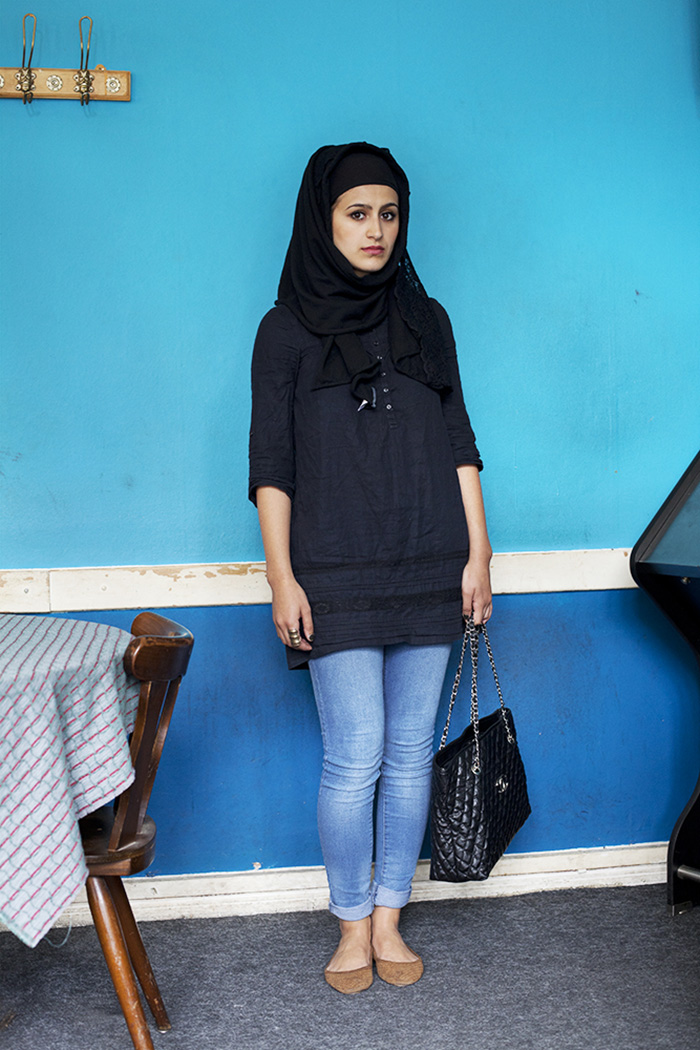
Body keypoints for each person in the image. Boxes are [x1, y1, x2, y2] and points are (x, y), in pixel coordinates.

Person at [249, 142, 492, 994]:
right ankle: (351, 923)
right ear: (323, 220)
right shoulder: (283, 330)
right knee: (354, 756)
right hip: (333, 571)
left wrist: (479, 554)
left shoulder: (428, 319)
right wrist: (281, 577)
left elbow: (460, 442)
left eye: (389, 214)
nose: (375, 230)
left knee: (412, 753)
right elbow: (271, 464)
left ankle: (390, 917)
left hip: (431, 560)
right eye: (357, 213)